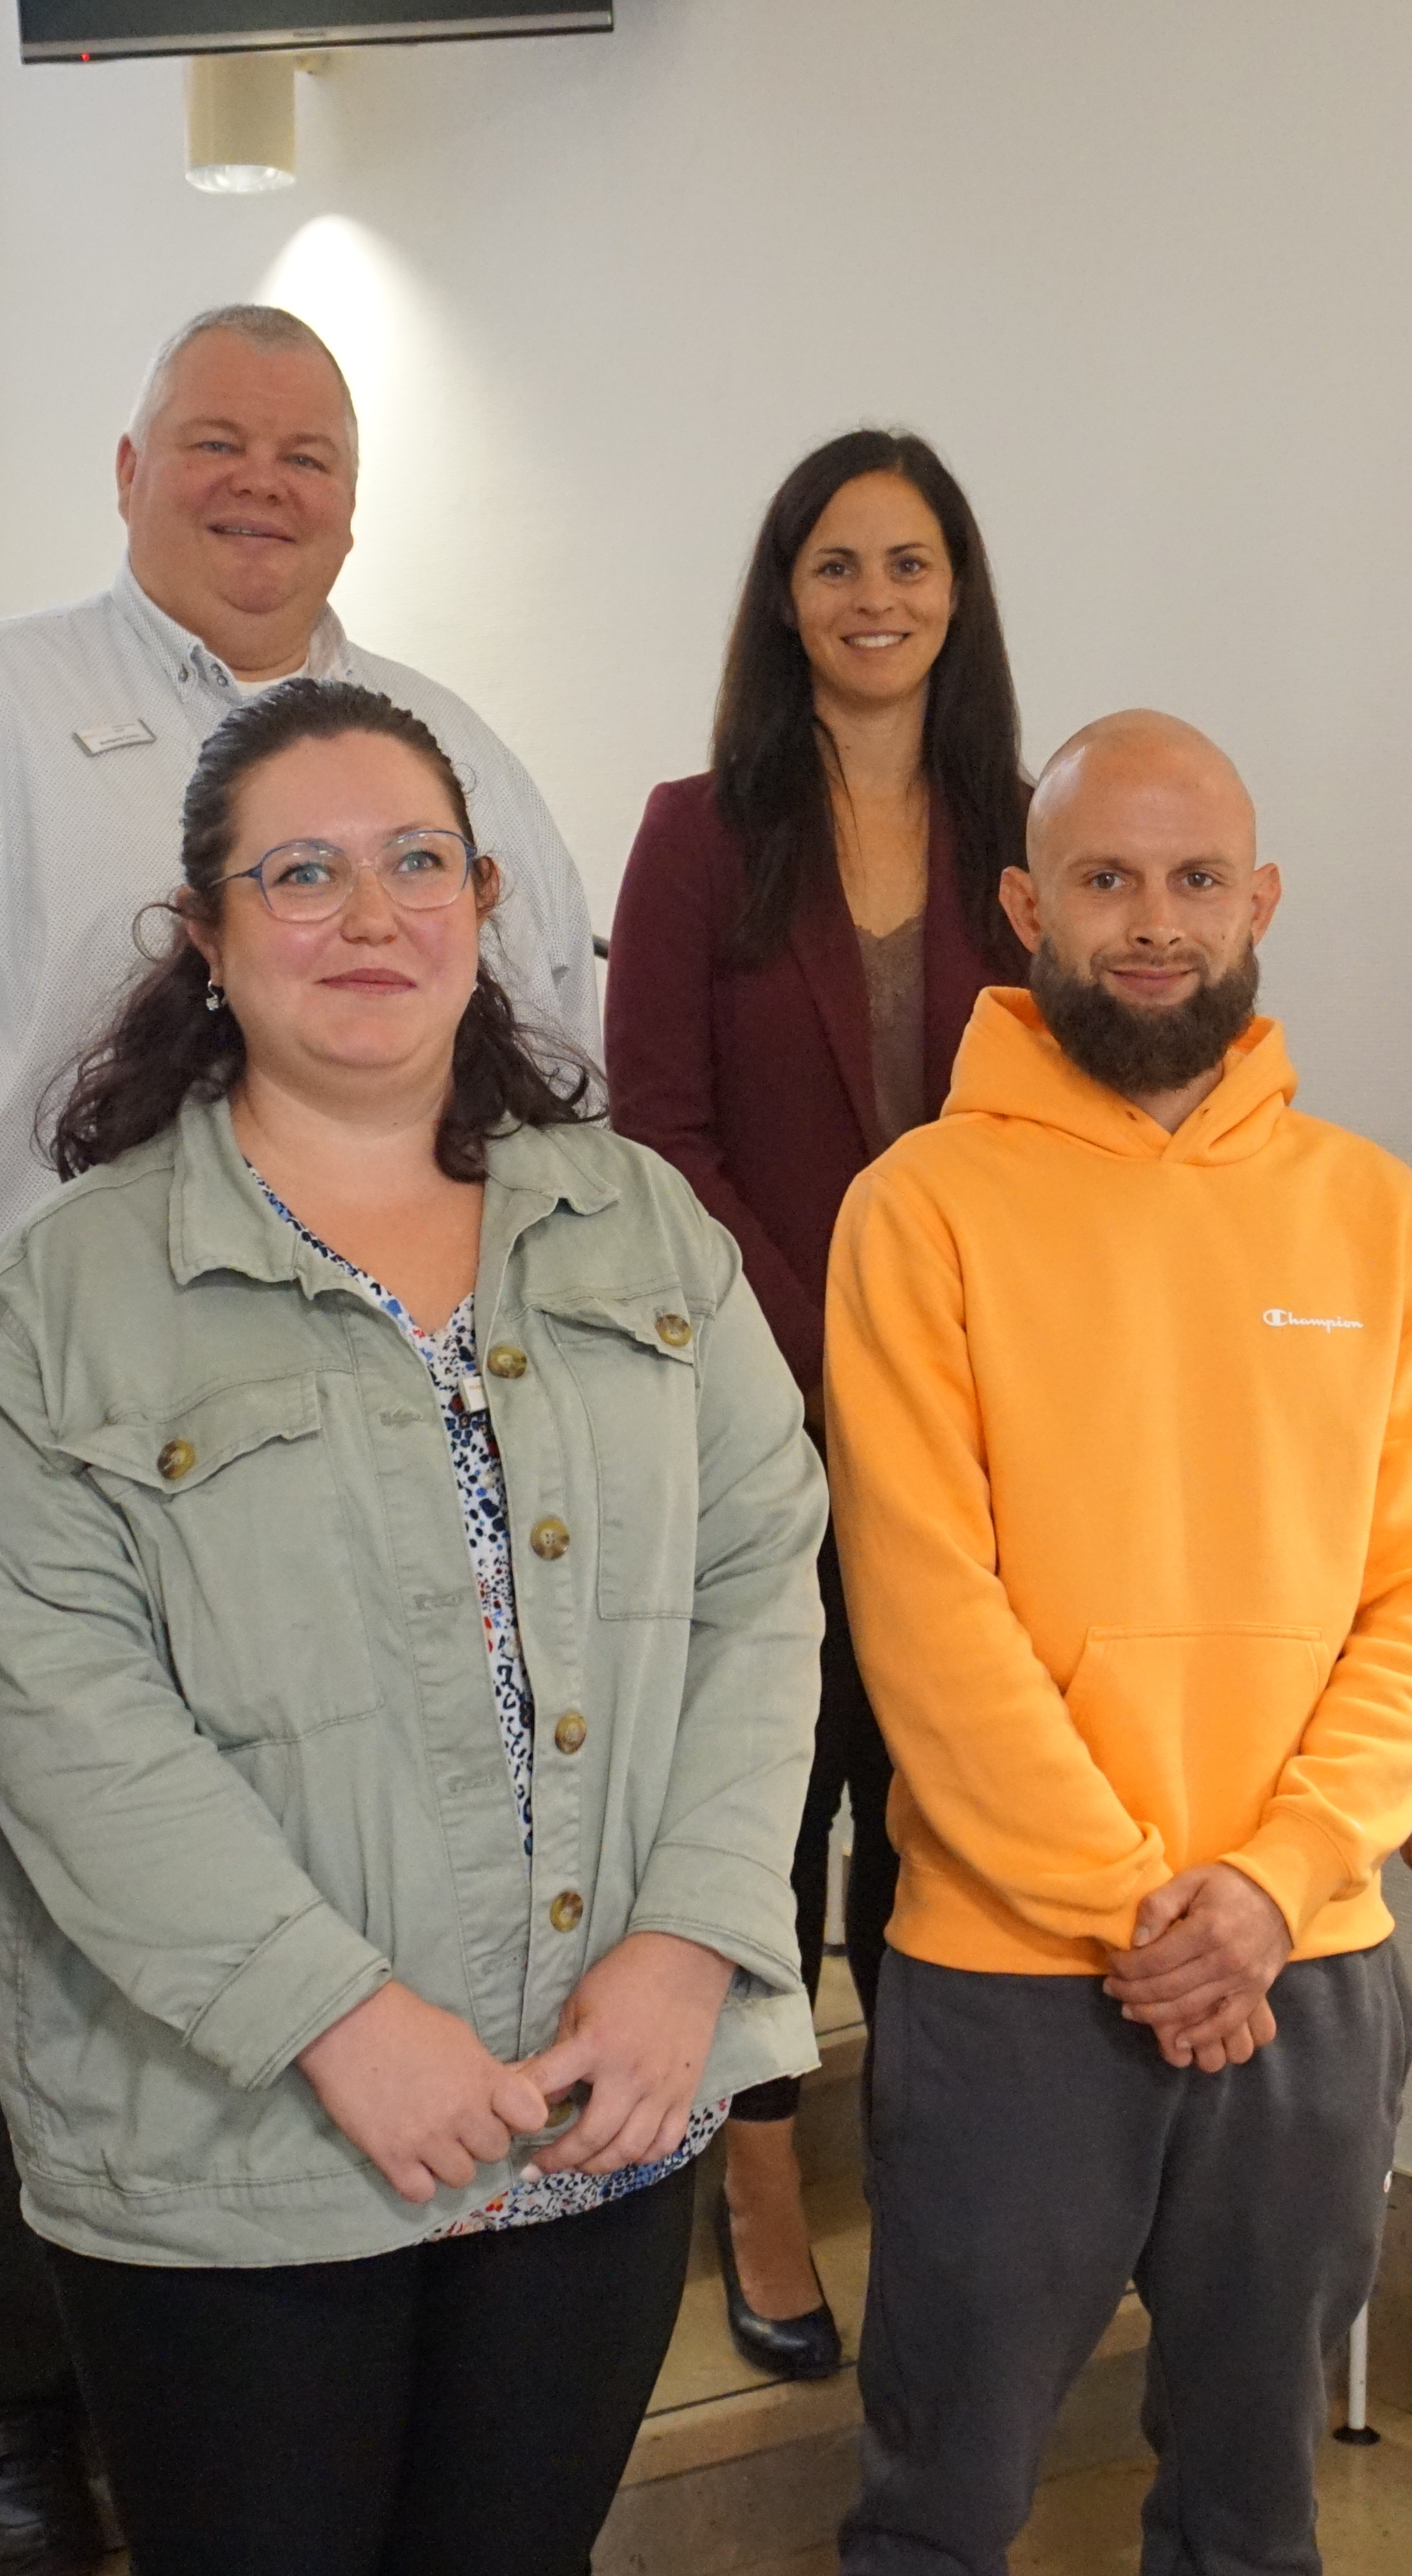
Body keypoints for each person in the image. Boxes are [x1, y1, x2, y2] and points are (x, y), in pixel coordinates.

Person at [0, 304, 602, 2573]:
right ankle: (12, 2388)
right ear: (128, 466)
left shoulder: (460, 761)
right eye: (213, 443)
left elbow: (556, 1091)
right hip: (59, 1473)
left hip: (403, 1483)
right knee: (69, 1933)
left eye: (304, 453)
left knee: (334, 1916)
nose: (259, 486)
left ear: (351, 493)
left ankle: (315, 2346)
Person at [0, 680, 825, 2576]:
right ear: (210, 934)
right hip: (246, 2153)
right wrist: (338, 2018)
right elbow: (63, 1725)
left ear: (484, 904)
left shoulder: (642, 1230)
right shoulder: (58, 1312)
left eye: (418, 862)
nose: (370, 914)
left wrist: (685, 1955)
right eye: (302, 873)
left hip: (601, 2099)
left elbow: (761, 1586)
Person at [824, 712, 1412, 2573]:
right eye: (1108, 879)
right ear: (1028, 904)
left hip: (1305, 1967)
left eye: (1196, 880)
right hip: (1014, 1967)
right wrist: (1141, 1907)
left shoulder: (1378, 1219)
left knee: (1252, 2509)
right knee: (943, 2503)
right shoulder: (922, 1212)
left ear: (1259, 901)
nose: (1154, 921)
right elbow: (923, 1606)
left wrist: (1272, 1889)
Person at [602, 426, 1027, 2378]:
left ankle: (947, 2203)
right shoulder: (700, 830)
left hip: (983, 1439)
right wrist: (832, 1346)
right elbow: (657, 1138)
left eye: (912, 562)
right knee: (764, 1817)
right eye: (838, 563)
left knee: (940, 1826)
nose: (876, 598)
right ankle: (759, 2196)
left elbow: (1062, 1133)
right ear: (788, 595)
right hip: (751, 1433)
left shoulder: (1023, 832)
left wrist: (939, 1368)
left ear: (959, 594)